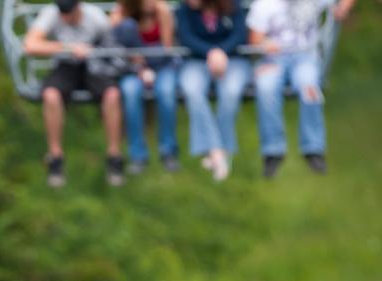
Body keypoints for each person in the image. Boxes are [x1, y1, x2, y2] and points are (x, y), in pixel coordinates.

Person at [23, 0, 126, 188]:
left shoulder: (94, 17)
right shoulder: (51, 14)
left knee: (112, 94)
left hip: (93, 64)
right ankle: (55, 156)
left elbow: (112, 42)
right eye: (62, 11)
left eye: (68, 11)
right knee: (51, 95)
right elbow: (30, 44)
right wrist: (67, 48)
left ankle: (114, 155)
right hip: (65, 65)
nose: (64, 16)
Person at [249, 0, 355, 177]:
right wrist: (264, 44)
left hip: (305, 58)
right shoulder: (264, 5)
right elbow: (254, 39)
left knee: (310, 88)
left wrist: (343, 8)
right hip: (273, 59)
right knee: (266, 88)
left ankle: (313, 149)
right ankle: (272, 152)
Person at [176, 0, 250, 181]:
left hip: (232, 60)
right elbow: (185, 36)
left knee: (231, 91)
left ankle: (219, 152)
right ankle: (217, 150)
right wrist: (211, 53)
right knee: (192, 90)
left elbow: (240, 34)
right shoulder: (185, 8)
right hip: (196, 60)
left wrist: (221, 53)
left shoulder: (232, 5)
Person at [111, 0, 181, 173]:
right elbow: (116, 46)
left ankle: (168, 151)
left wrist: (149, 68)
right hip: (134, 69)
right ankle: (138, 155)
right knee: (130, 91)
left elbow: (167, 49)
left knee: (166, 92)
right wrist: (139, 69)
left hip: (162, 65)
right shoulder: (123, 16)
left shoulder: (162, 11)